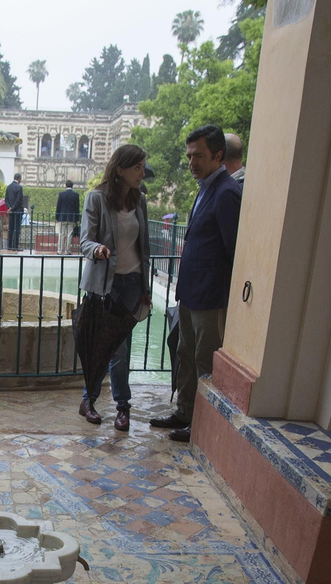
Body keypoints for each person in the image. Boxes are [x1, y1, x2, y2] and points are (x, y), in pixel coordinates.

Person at [151, 124, 241, 443]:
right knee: (185, 354)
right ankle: (184, 412)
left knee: (204, 362)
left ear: (218, 155)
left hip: (210, 296)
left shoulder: (228, 192)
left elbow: (233, 251)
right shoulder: (205, 187)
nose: (192, 162)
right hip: (190, 293)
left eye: (199, 155)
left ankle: (200, 424)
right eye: (189, 156)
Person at [77, 144, 151, 432]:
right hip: (104, 282)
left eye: (143, 167)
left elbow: (143, 248)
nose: (142, 173)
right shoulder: (96, 198)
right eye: (138, 168)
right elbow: (85, 241)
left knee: (120, 347)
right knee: (101, 346)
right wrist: (98, 250)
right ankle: (93, 401)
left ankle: (119, 407)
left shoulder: (140, 201)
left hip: (132, 282)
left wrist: (145, 286)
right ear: (120, 169)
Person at [54, 180, 80, 253]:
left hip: (62, 217)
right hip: (71, 218)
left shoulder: (61, 194)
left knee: (61, 233)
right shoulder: (76, 195)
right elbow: (77, 207)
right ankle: (67, 250)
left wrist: (57, 217)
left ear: (66, 185)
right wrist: (77, 219)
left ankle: (59, 250)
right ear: (72, 186)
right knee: (69, 234)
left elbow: (58, 206)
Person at [5, 172, 24, 250]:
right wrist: (12, 208)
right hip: (17, 211)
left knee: (11, 229)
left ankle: (9, 246)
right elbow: (19, 200)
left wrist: (9, 207)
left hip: (11, 212)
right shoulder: (19, 187)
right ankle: (15, 246)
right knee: (16, 229)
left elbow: (6, 199)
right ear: (19, 179)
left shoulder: (8, 187)